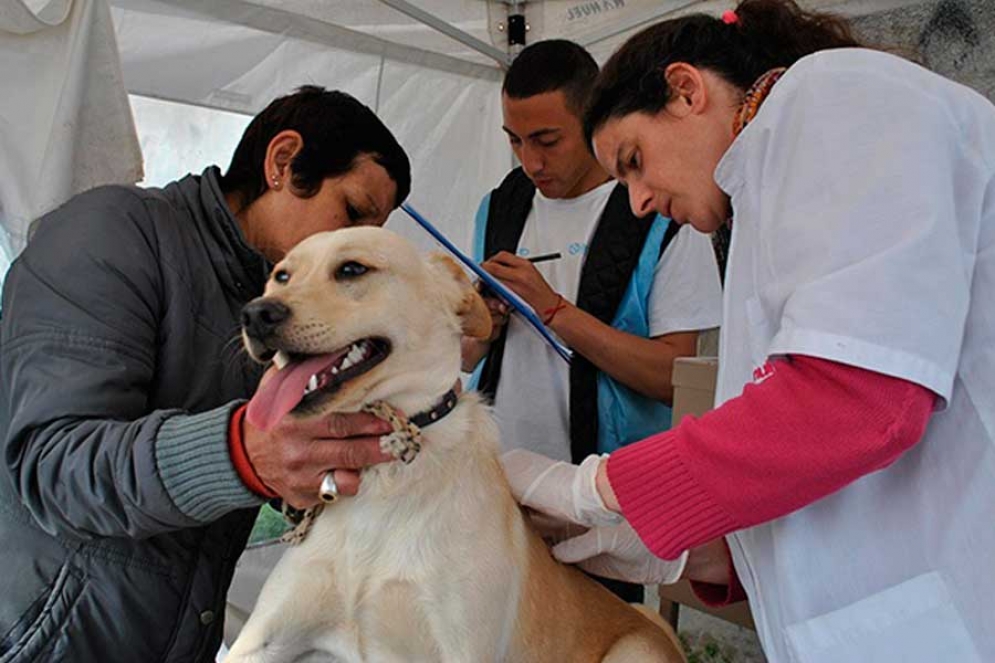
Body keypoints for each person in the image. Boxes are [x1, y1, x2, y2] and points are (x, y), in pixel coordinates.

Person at [502, 1, 995, 661]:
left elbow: (853, 403)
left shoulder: (832, 94)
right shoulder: (761, 199)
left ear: (685, 90)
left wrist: (597, 485)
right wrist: (687, 551)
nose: (638, 200)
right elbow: (810, 468)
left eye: (633, 160)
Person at [0, 86, 411, 662]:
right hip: (46, 641)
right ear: (283, 162)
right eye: (350, 214)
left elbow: (253, 473)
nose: (352, 252)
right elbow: (55, 464)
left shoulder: (272, 305)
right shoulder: (107, 233)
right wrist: (243, 454)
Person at [463, 39, 722, 603]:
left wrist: (555, 310)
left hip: (601, 510)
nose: (530, 162)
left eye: (547, 141)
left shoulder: (662, 209)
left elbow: (672, 376)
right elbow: (466, 358)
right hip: (492, 487)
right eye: (514, 141)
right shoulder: (500, 205)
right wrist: (481, 323)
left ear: (591, 118)